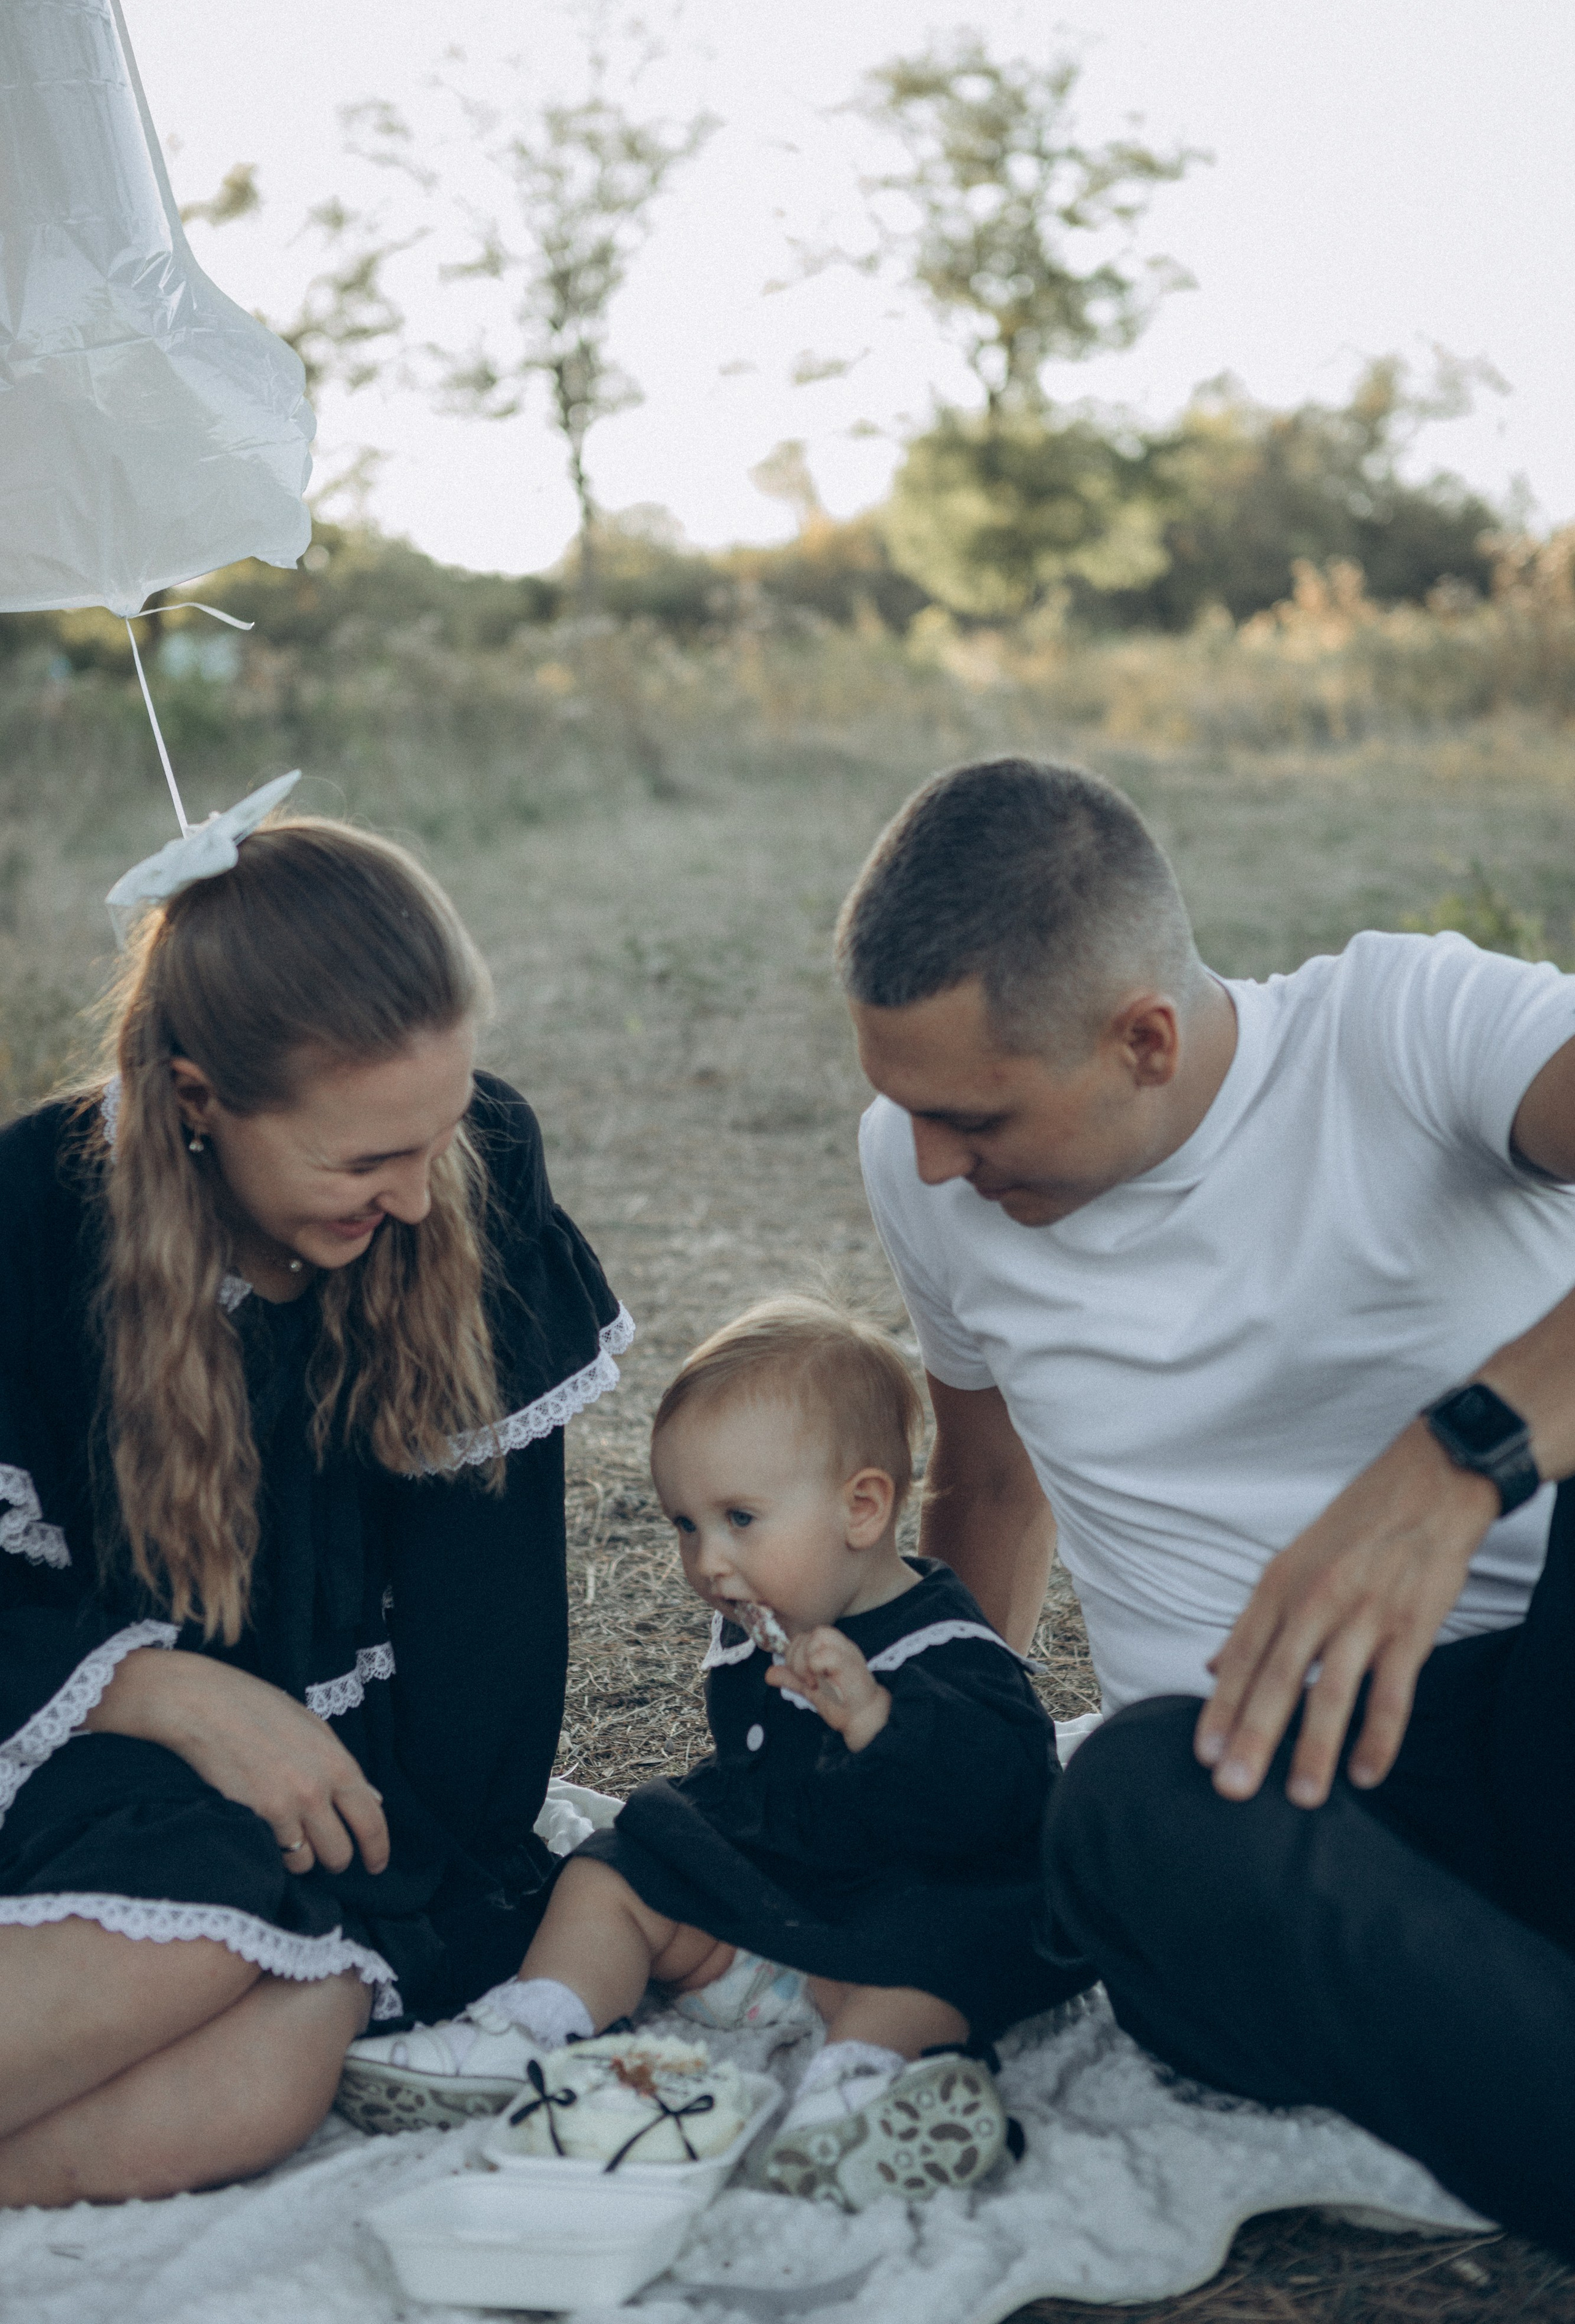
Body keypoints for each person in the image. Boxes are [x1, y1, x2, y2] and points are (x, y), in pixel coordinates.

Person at [838, 757, 1575, 2257]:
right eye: (901, 1107)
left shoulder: (1402, 1029)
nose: (926, 1159)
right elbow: (984, 1481)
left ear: (1144, 1040)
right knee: (1112, 1805)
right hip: (1268, 1829)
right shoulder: (920, 1168)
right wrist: (930, 1766)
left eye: (972, 1116)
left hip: (1543, 1723)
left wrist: (1461, 1454)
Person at [0, 815, 631, 2206]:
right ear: (195, 1099)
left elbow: (492, 1626)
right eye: (360, 1163)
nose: (414, 1194)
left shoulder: (469, 1173)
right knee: (215, 1890)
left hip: (354, 1799)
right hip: (73, 1760)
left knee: (286, 2062)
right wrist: (169, 1694)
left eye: (438, 1130)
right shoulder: (28, 1224)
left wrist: (435, 1876)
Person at [340, 1297, 1079, 2208]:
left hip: (906, 1899)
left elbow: (1003, 1803)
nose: (706, 1562)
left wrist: (879, 1721)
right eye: (685, 1525)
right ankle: (534, 2023)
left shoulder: (943, 1646)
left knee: (936, 1955)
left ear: (862, 1507)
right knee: (614, 1870)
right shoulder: (758, 1627)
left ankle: (863, 2096)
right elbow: (751, 1779)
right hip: (780, 1897)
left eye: (738, 1519)